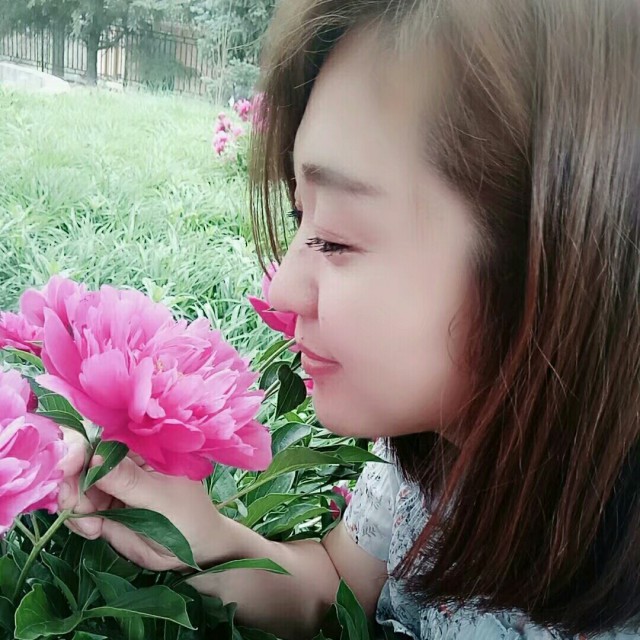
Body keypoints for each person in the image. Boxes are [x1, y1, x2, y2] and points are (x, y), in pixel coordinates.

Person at [56, 0, 640, 638]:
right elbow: (338, 584)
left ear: (555, 258)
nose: (281, 289)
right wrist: (202, 539)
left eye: (334, 239)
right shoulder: (428, 465)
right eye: (300, 216)